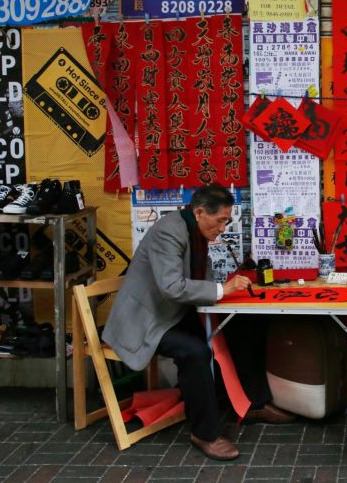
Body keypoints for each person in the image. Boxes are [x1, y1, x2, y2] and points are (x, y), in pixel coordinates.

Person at [103, 184, 296, 461]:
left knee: (245, 324)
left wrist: (223, 296)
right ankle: (205, 433)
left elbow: (198, 281)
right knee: (195, 352)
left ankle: (252, 402)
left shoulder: (195, 230)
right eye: (220, 221)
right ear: (201, 212)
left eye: (227, 221)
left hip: (176, 312)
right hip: (149, 321)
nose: (223, 227)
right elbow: (171, 286)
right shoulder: (169, 232)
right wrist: (222, 290)